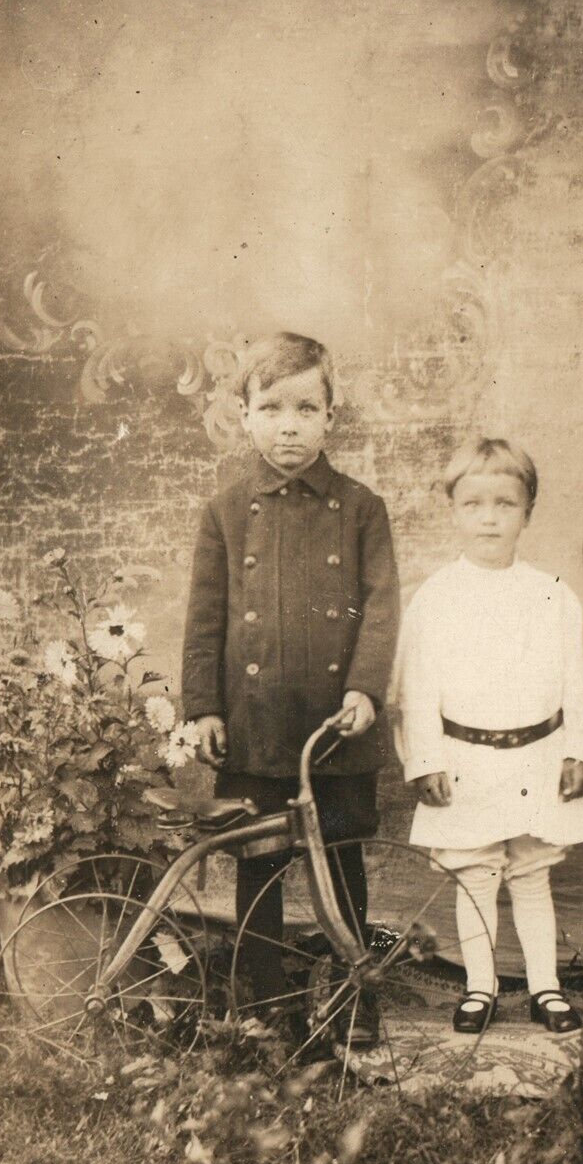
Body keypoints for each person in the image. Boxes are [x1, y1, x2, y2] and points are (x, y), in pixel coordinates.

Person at [181, 331, 400, 1043]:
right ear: (244, 415)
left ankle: (352, 995)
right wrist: (203, 708)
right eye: (272, 408)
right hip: (255, 722)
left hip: (336, 723)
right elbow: (205, 618)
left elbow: (381, 608)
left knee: (340, 860)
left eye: (306, 409)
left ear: (330, 417)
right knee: (260, 863)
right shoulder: (224, 510)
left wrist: (365, 690)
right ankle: (265, 1002)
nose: (289, 426)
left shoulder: (362, 507)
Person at [393, 437, 583, 1036]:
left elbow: (576, 681)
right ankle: (479, 986)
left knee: (532, 875)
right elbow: (415, 688)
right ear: (453, 511)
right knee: (477, 875)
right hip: (466, 759)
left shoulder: (553, 593)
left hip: (536, 756)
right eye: (474, 504)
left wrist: (579, 749)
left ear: (527, 512)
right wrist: (424, 759)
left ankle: (545, 988)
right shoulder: (435, 597)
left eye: (505, 504)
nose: (489, 518)